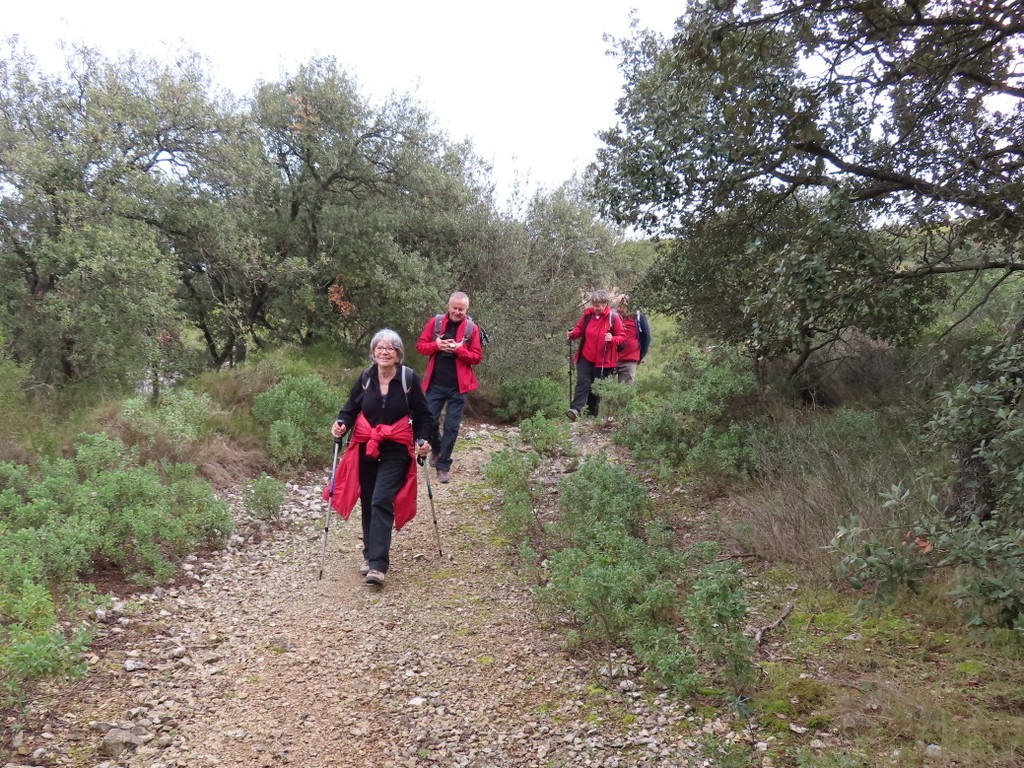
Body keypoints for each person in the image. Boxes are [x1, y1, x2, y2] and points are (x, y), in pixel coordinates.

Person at [327, 329, 433, 587]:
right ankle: (369, 554)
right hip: (366, 446)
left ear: (398, 354)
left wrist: (424, 440)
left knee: (381, 499)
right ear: (373, 352)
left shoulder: (408, 379)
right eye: (380, 348)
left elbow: (424, 417)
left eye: (391, 348)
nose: (385, 352)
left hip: (396, 448)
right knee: (368, 501)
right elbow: (350, 408)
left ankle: (378, 565)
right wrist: (341, 423)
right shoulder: (365, 378)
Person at [415, 291, 484, 484]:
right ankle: (436, 450)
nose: (457, 312)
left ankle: (444, 465)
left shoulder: (472, 329)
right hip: (435, 384)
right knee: (430, 421)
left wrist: (459, 349)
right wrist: (436, 345)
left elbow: (477, 357)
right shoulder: (435, 323)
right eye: (454, 308)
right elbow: (420, 346)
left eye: (461, 309)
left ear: (466, 309)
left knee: (452, 427)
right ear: (449, 306)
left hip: (459, 387)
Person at [566, 290, 625, 420]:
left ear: (606, 304)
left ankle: (591, 415)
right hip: (586, 356)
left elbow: (622, 337)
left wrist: (612, 338)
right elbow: (579, 329)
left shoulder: (613, 318)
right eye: (594, 304)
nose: (596, 308)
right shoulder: (588, 315)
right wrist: (572, 334)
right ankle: (575, 410)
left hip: (604, 360)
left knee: (595, 387)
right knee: (583, 382)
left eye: (599, 305)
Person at [614, 294, 651, 385]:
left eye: (622, 306)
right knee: (603, 389)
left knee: (625, 392)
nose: (619, 308)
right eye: (618, 305)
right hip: (611, 359)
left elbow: (646, 336)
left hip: (629, 360)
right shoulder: (613, 316)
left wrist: (641, 355)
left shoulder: (638, 317)